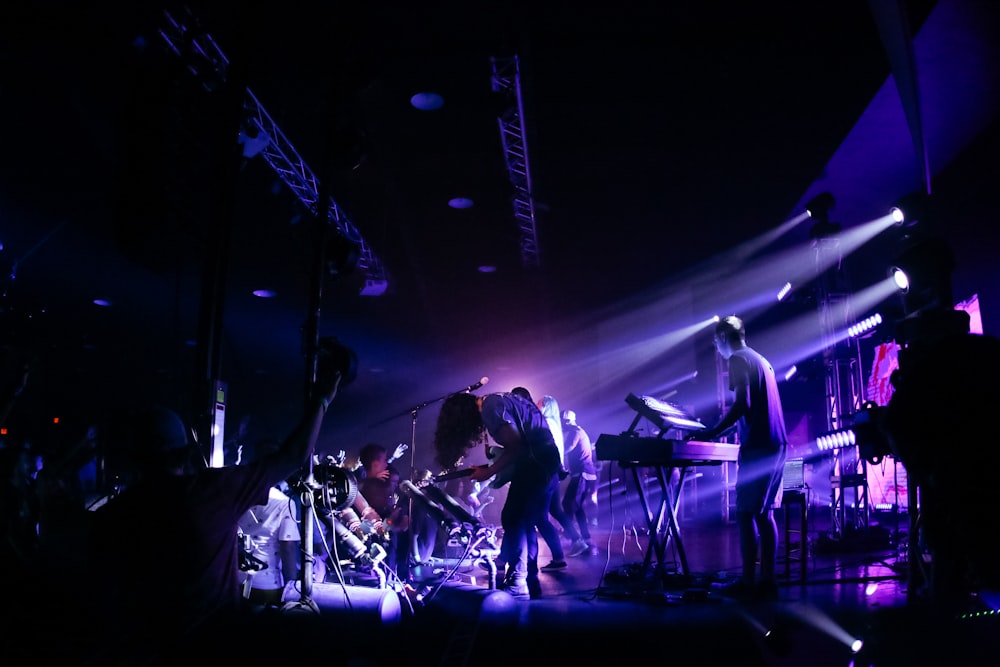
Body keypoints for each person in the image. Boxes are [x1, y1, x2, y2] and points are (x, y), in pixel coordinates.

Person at [83, 357, 344, 663]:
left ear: (133, 459)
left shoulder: (113, 518)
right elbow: (292, 456)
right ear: (185, 453)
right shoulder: (212, 492)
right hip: (216, 647)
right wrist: (322, 399)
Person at [692, 315, 787, 601]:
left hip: (758, 447)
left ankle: (747, 582)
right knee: (765, 513)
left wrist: (712, 432)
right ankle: (767, 581)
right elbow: (753, 409)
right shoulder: (762, 360)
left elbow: (742, 403)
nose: (717, 351)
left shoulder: (737, 360)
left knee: (745, 514)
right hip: (776, 442)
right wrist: (725, 430)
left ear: (722, 338)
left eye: (716, 343)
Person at [436, 389, 561, 599]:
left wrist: (489, 471)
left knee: (515, 519)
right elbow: (521, 441)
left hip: (537, 465)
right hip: (545, 463)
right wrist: (490, 465)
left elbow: (517, 446)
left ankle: (518, 582)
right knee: (522, 521)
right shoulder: (499, 399)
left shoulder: (491, 407)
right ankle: (527, 579)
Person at [561, 409, 597, 557]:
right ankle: (583, 536)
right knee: (576, 506)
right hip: (586, 474)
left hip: (582, 473)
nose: (564, 425)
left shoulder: (575, 432)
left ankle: (574, 537)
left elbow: (567, 448)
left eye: (564, 422)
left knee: (568, 504)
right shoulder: (580, 431)